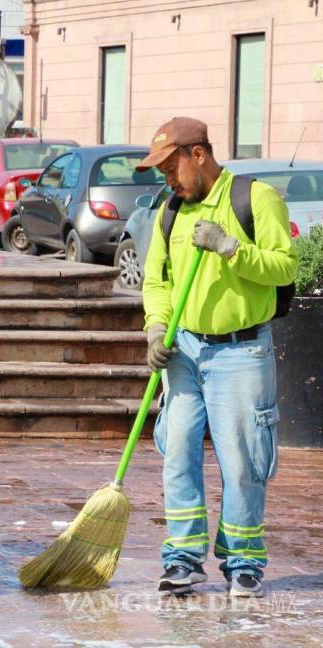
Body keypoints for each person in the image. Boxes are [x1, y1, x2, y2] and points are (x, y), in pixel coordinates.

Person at [138, 117, 298, 598]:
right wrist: (156, 328)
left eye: (171, 166)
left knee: (243, 459)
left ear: (198, 155)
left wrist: (233, 248)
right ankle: (182, 559)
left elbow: (285, 265)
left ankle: (243, 561)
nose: (167, 177)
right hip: (184, 349)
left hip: (241, 350)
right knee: (178, 452)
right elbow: (156, 282)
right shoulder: (170, 211)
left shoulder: (255, 198)